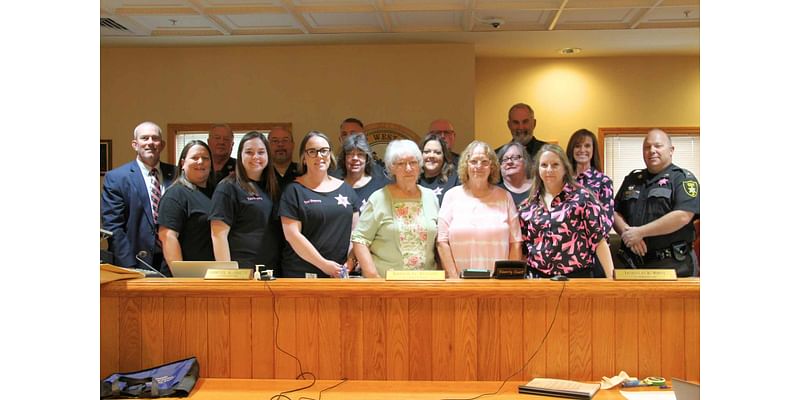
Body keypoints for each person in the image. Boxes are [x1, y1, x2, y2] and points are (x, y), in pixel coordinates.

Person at [613, 129, 699, 277]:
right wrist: (628, 235)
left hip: (674, 265)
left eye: (658, 146)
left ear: (671, 150)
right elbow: (613, 212)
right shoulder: (632, 179)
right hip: (633, 264)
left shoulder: (683, 179)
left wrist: (640, 232)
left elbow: (683, 215)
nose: (652, 150)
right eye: (647, 147)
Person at [519, 144, 614, 278]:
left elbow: (599, 241)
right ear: (537, 170)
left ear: (565, 168)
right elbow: (523, 250)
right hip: (537, 280)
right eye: (544, 165)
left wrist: (611, 278)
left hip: (577, 278)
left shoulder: (583, 198)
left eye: (555, 165)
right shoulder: (527, 207)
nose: (549, 170)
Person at [351, 140, 439, 278]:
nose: (408, 168)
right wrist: (373, 277)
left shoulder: (430, 197)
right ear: (391, 168)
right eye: (401, 164)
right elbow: (360, 239)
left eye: (413, 162)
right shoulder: (378, 198)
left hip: (427, 282)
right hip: (387, 284)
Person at [279, 131, 360, 278]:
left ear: (330, 154)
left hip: (340, 273)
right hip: (302, 275)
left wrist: (351, 260)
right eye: (312, 151)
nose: (319, 156)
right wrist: (324, 265)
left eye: (324, 150)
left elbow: (356, 232)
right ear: (304, 158)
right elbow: (292, 236)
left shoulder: (347, 190)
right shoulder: (293, 191)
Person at [437, 140, 522, 278]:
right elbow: (442, 242)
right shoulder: (451, 196)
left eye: (484, 162)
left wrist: (508, 279)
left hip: (497, 283)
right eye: (474, 161)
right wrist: (454, 278)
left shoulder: (505, 197)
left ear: (492, 166)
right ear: (466, 164)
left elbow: (516, 243)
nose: (479, 166)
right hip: (460, 282)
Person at [102, 121, 177, 275]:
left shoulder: (176, 174)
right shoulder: (116, 178)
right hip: (134, 261)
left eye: (155, 138)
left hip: (173, 260)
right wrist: (129, 265)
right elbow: (114, 226)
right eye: (145, 138)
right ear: (135, 144)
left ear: (162, 145)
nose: (150, 142)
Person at [209, 131, 282, 270]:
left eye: (261, 152)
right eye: (249, 152)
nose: (256, 157)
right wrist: (228, 273)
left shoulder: (273, 187)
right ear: (240, 155)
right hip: (242, 270)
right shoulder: (227, 187)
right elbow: (218, 235)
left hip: (272, 269)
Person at [157, 140, 216, 269]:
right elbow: (168, 237)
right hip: (188, 277)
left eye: (205, 158)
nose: (200, 162)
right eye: (194, 158)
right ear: (183, 163)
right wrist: (182, 276)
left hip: (214, 273)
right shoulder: (175, 195)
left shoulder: (217, 193)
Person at [566, 129, 615, 277]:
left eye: (587, 146)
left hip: (596, 253)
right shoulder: (563, 181)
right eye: (577, 146)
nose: (582, 150)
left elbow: (607, 220)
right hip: (567, 253)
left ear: (593, 150)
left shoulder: (603, 181)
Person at [338, 133, 389, 210]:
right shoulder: (335, 186)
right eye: (350, 154)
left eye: (360, 154)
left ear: (367, 158)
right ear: (344, 158)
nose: (355, 158)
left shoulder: (380, 188)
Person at [418, 134, 460, 205]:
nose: (431, 156)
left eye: (437, 153)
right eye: (427, 152)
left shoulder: (455, 179)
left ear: (444, 156)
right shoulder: (413, 180)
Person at [496, 141, 532, 207]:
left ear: (525, 161)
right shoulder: (494, 192)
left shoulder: (538, 188)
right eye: (505, 159)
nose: (509, 162)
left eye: (515, 158)